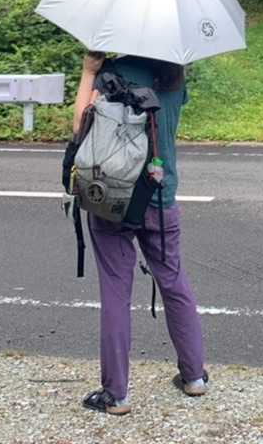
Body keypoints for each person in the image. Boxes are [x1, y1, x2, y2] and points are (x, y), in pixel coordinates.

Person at [74, 50, 209, 415]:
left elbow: (80, 129)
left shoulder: (114, 71)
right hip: (161, 194)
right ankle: (194, 376)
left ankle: (116, 394)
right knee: (174, 281)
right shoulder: (175, 75)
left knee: (116, 292)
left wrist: (88, 73)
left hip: (113, 196)